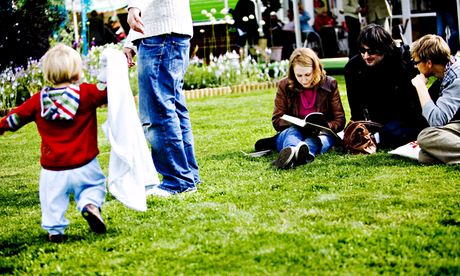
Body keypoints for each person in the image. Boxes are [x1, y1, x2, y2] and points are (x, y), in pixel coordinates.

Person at [0, 44, 108, 242]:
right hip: (86, 164)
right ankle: (90, 205)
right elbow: (106, 92)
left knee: (52, 200)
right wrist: (112, 69)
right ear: (76, 73)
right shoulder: (86, 94)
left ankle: (55, 230)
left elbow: (15, 118)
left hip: (53, 168)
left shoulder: (37, 101)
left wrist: (2, 126)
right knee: (94, 186)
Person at [123, 0, 200, 196]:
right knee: (173, 107)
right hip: (170, 33)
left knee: (158, 110)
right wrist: (132, 40)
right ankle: (187, 175)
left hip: (161, 37)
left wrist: (134, 7)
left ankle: (178, 181)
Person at [257, 48, 346, 169]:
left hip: (320, 134)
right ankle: (293, 151)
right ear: (292, 72)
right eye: (299, 75)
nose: (304, 80)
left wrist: (322, 127)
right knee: (294, 132)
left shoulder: (330, 84)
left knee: (319, 140)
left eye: (308, 74)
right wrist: (298, 125)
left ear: (316, 69)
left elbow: (340, 120)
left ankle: (296, 155)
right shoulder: (284, 85)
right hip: (291, 132)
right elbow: (277, 120)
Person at [344, 24, 428, 149]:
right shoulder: (353, 68)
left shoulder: (401, 61)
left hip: (403, 116)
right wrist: (358, 128)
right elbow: (355, 108)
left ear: (383, 49)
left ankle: (378, 138)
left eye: (371, 51)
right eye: (362, 50)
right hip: (374, 120)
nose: (366, 56)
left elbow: (412, 105)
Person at [410, 34, 460, 164]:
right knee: (425, 156)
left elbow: (437, 121)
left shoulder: (457, 79)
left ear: (429, 63)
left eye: (416, 62)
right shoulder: (448, 73)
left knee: (426, 137)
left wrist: (421, 86)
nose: (416, 67)